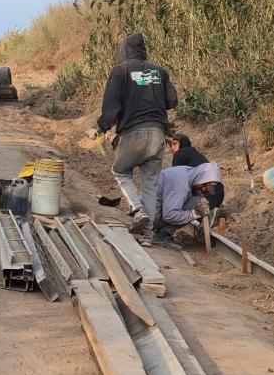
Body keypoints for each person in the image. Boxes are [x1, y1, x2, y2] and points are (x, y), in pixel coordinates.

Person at [95, 32, 177, 241]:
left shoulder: (120, 71)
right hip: (158, 134)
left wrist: (103, 127)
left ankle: (137, 210)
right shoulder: (160, 72)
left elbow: (111, 109)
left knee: (121, 171)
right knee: (150, 185)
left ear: (124, 51)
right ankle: (147, 233)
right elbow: (172, 101)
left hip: (134, 132)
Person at [150, 162, 224, 249]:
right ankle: (162, 234)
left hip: (151, 211)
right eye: (204, 185)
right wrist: (194, 214)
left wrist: (202, 215)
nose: (204, 189)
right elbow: (169, 215)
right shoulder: (180, 186)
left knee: (199, 202)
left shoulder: (188, 173)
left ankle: (160, 233)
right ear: (200, 178)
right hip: (150, 219)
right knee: (197, 203)